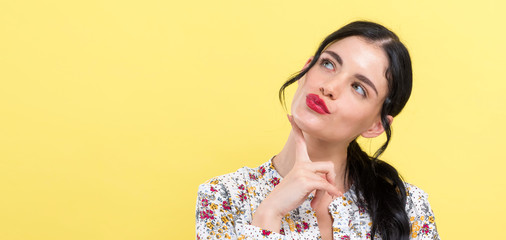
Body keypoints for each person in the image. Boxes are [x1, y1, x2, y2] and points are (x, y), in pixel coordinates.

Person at [195, 21, 439, 240]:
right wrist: (269, 215)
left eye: (358, 88)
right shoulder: (222, 197)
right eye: (329, 64)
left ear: (376, 126)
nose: (330, 86)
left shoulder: (407, 208)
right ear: (306, 68)